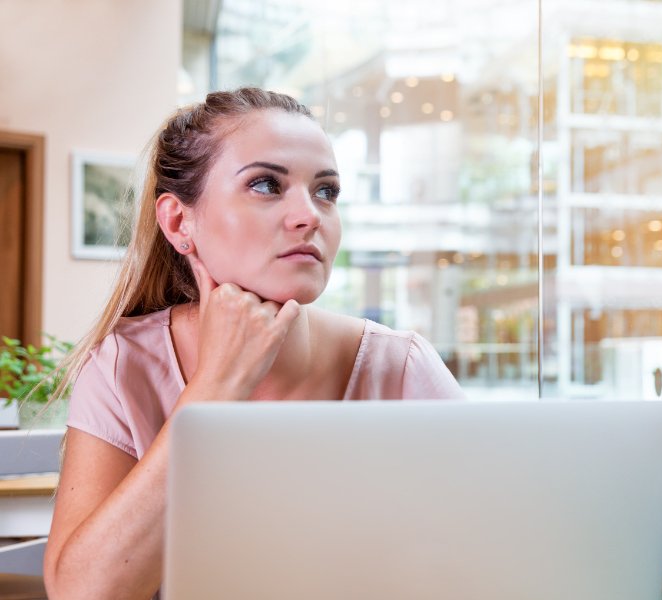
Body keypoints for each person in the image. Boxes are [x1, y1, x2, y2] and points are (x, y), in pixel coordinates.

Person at [43, 88, 465, 599]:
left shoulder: (401, 367)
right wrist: (216, 387)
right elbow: (84, 593)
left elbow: (492, 558)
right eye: (266, 184)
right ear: (180, 222)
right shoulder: (123, 364)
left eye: (326, 191)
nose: (309, 215)